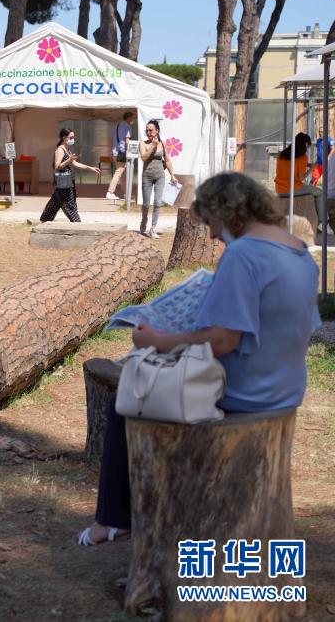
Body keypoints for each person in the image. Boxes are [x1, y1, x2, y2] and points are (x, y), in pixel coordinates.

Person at [76, 172, 319, 546]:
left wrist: (157, 340)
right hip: (283, 390)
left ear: (225, 211)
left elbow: (221, 340)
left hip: (243, 394)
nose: (212, 235)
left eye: (209, 222)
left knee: (127, 398)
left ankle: (113, 519)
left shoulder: (243, 254)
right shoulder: (299, 252)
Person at [40, 128, 99, 223]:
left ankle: (45, 219)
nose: (73, 139)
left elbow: (75, 164)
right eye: (71, 137)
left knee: (56, 201)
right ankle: (76, 222)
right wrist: (69, 160)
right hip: (63, 179)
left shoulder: (67, 149)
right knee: (69, 202)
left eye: (73, 137)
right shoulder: (60, 150)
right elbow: (57, 166)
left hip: (68, 179)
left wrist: (91, 168)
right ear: (64, 137)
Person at [276, 132, 324, 232]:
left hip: (279, 188)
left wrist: (308, 164)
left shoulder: (283, 154)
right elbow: (301, 178)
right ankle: (322, 223)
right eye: (307, 146)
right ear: (304, 144)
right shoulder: (302, 157)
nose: (307, 148)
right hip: (293, 188)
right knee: (320, 193)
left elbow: (291, 166)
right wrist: (312, 168)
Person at [138, 119, 176, 238]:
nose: (148, 132)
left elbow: (167, 160)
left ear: (157, 131)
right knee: (146, 204)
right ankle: (144, 219)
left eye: (151, 130)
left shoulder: (163, 144)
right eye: (147, 130)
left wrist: (172, 175)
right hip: (147, 176)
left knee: (158, 202)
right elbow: (144, 158)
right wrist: (153, 145)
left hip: (160, 176)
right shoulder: (143, 143)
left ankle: (153, 228)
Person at [105, 111, 134, 200]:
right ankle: (110, 192)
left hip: (115, 152)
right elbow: (127, 141)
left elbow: (112, 139)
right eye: (132, 117)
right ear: (129, 118)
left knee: (122, 174)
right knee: (119, 172)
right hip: (122, 153)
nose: (133, 119)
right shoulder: (127, 126)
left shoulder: (117, 126)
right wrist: (132, 151)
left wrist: (111, 152)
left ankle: (126, 193)